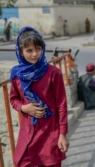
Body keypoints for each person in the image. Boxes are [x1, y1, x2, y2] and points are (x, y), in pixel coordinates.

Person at [9, 26, 70, 167]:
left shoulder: (53, 73)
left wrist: (62, 134)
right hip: (28, 131)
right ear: (21, 52)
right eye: (29, 50)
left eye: (38, 48)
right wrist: (24, 108)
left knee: (50, 162)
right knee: (22, 162)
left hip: (50, 132)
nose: (35, 54)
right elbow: (13, 100)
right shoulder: (17, 75)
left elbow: (61, 105)